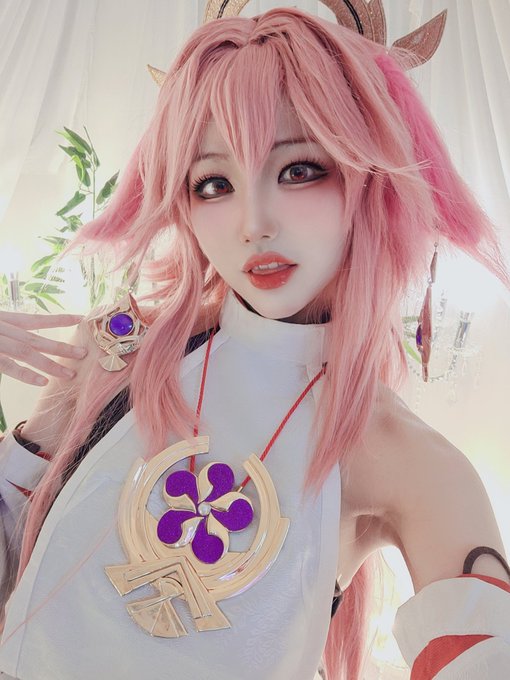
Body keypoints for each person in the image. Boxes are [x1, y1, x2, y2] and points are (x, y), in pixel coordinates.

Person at [0, 4, 509, 679]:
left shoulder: (404, 459)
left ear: (372, 179)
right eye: (215, 183)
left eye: (299, 170)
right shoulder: (124, 352)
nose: (254, 223)